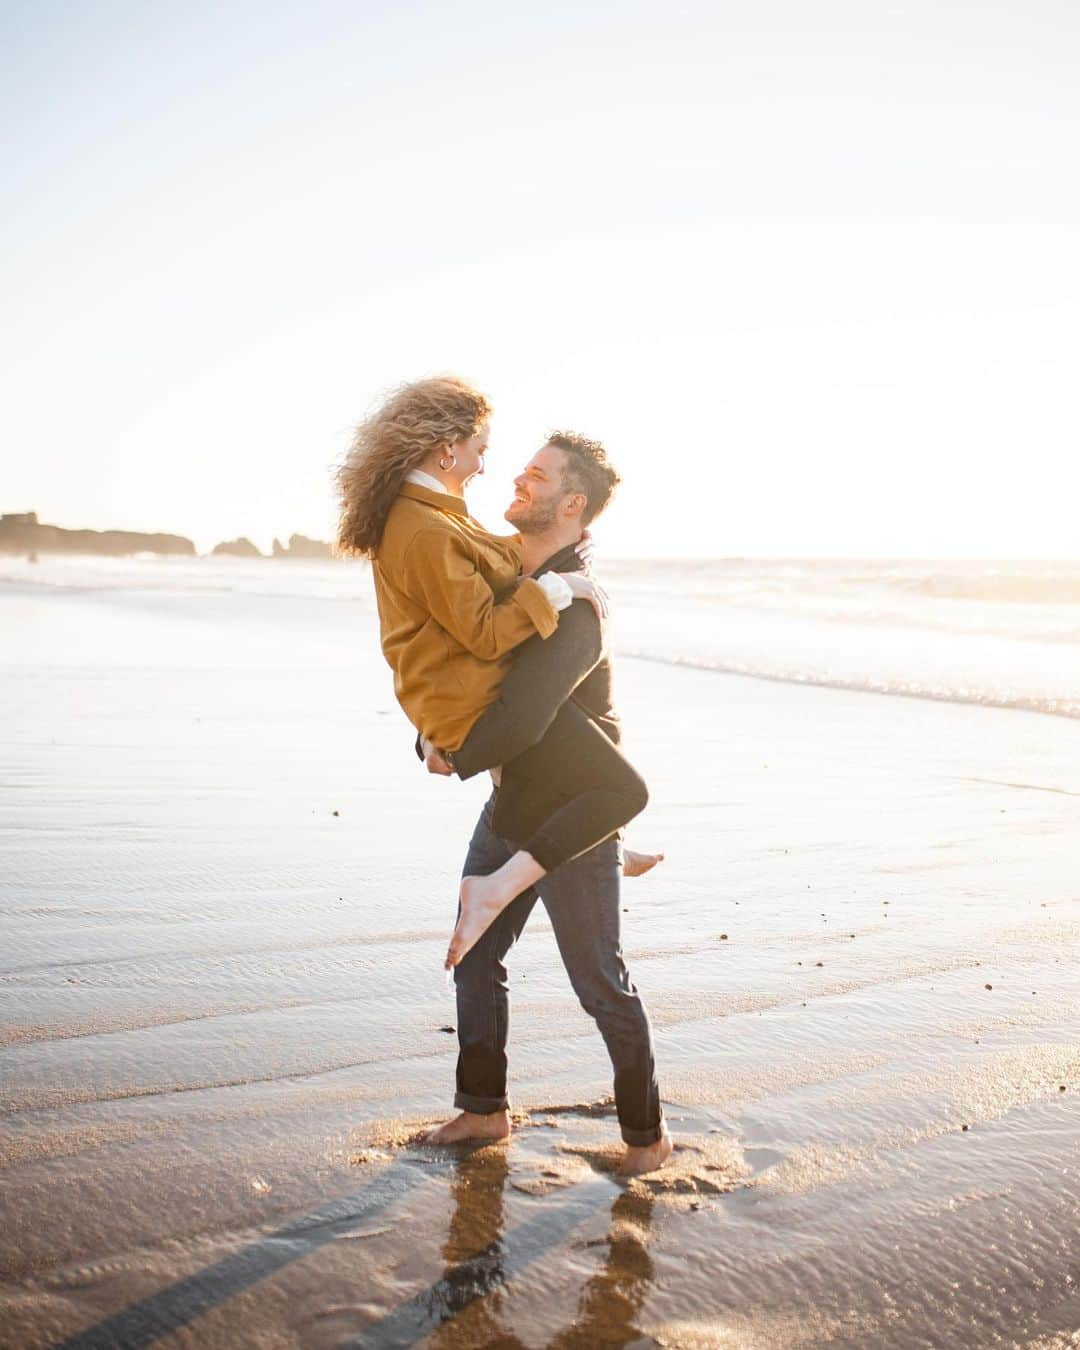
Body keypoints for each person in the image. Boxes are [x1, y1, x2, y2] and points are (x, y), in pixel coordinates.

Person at [422, 431, 672, 1176]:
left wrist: (455, 754)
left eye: (536, 477)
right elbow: (459, 676)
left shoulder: (578, 609)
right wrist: (430, 739)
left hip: (569, 815)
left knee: (599, 983)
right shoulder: (508, 580)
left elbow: (524, 717)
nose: (517, 482)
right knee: (475, 955)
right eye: (521, 471)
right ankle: (483, 1110)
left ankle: (647, 1138)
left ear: (572, 503)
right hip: (510, 801)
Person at [335, 378, 650, 968]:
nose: (488, 465)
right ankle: (590, 844)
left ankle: (607, 841)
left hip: (460, 708)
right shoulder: (423, 524)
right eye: (482, 448)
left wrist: (564, 570)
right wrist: (557, 587)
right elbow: (482, 630)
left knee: (594, 757)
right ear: (447, 448)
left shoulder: (432, 513)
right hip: (474, 711)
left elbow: (493, 560)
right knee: (626, 791)